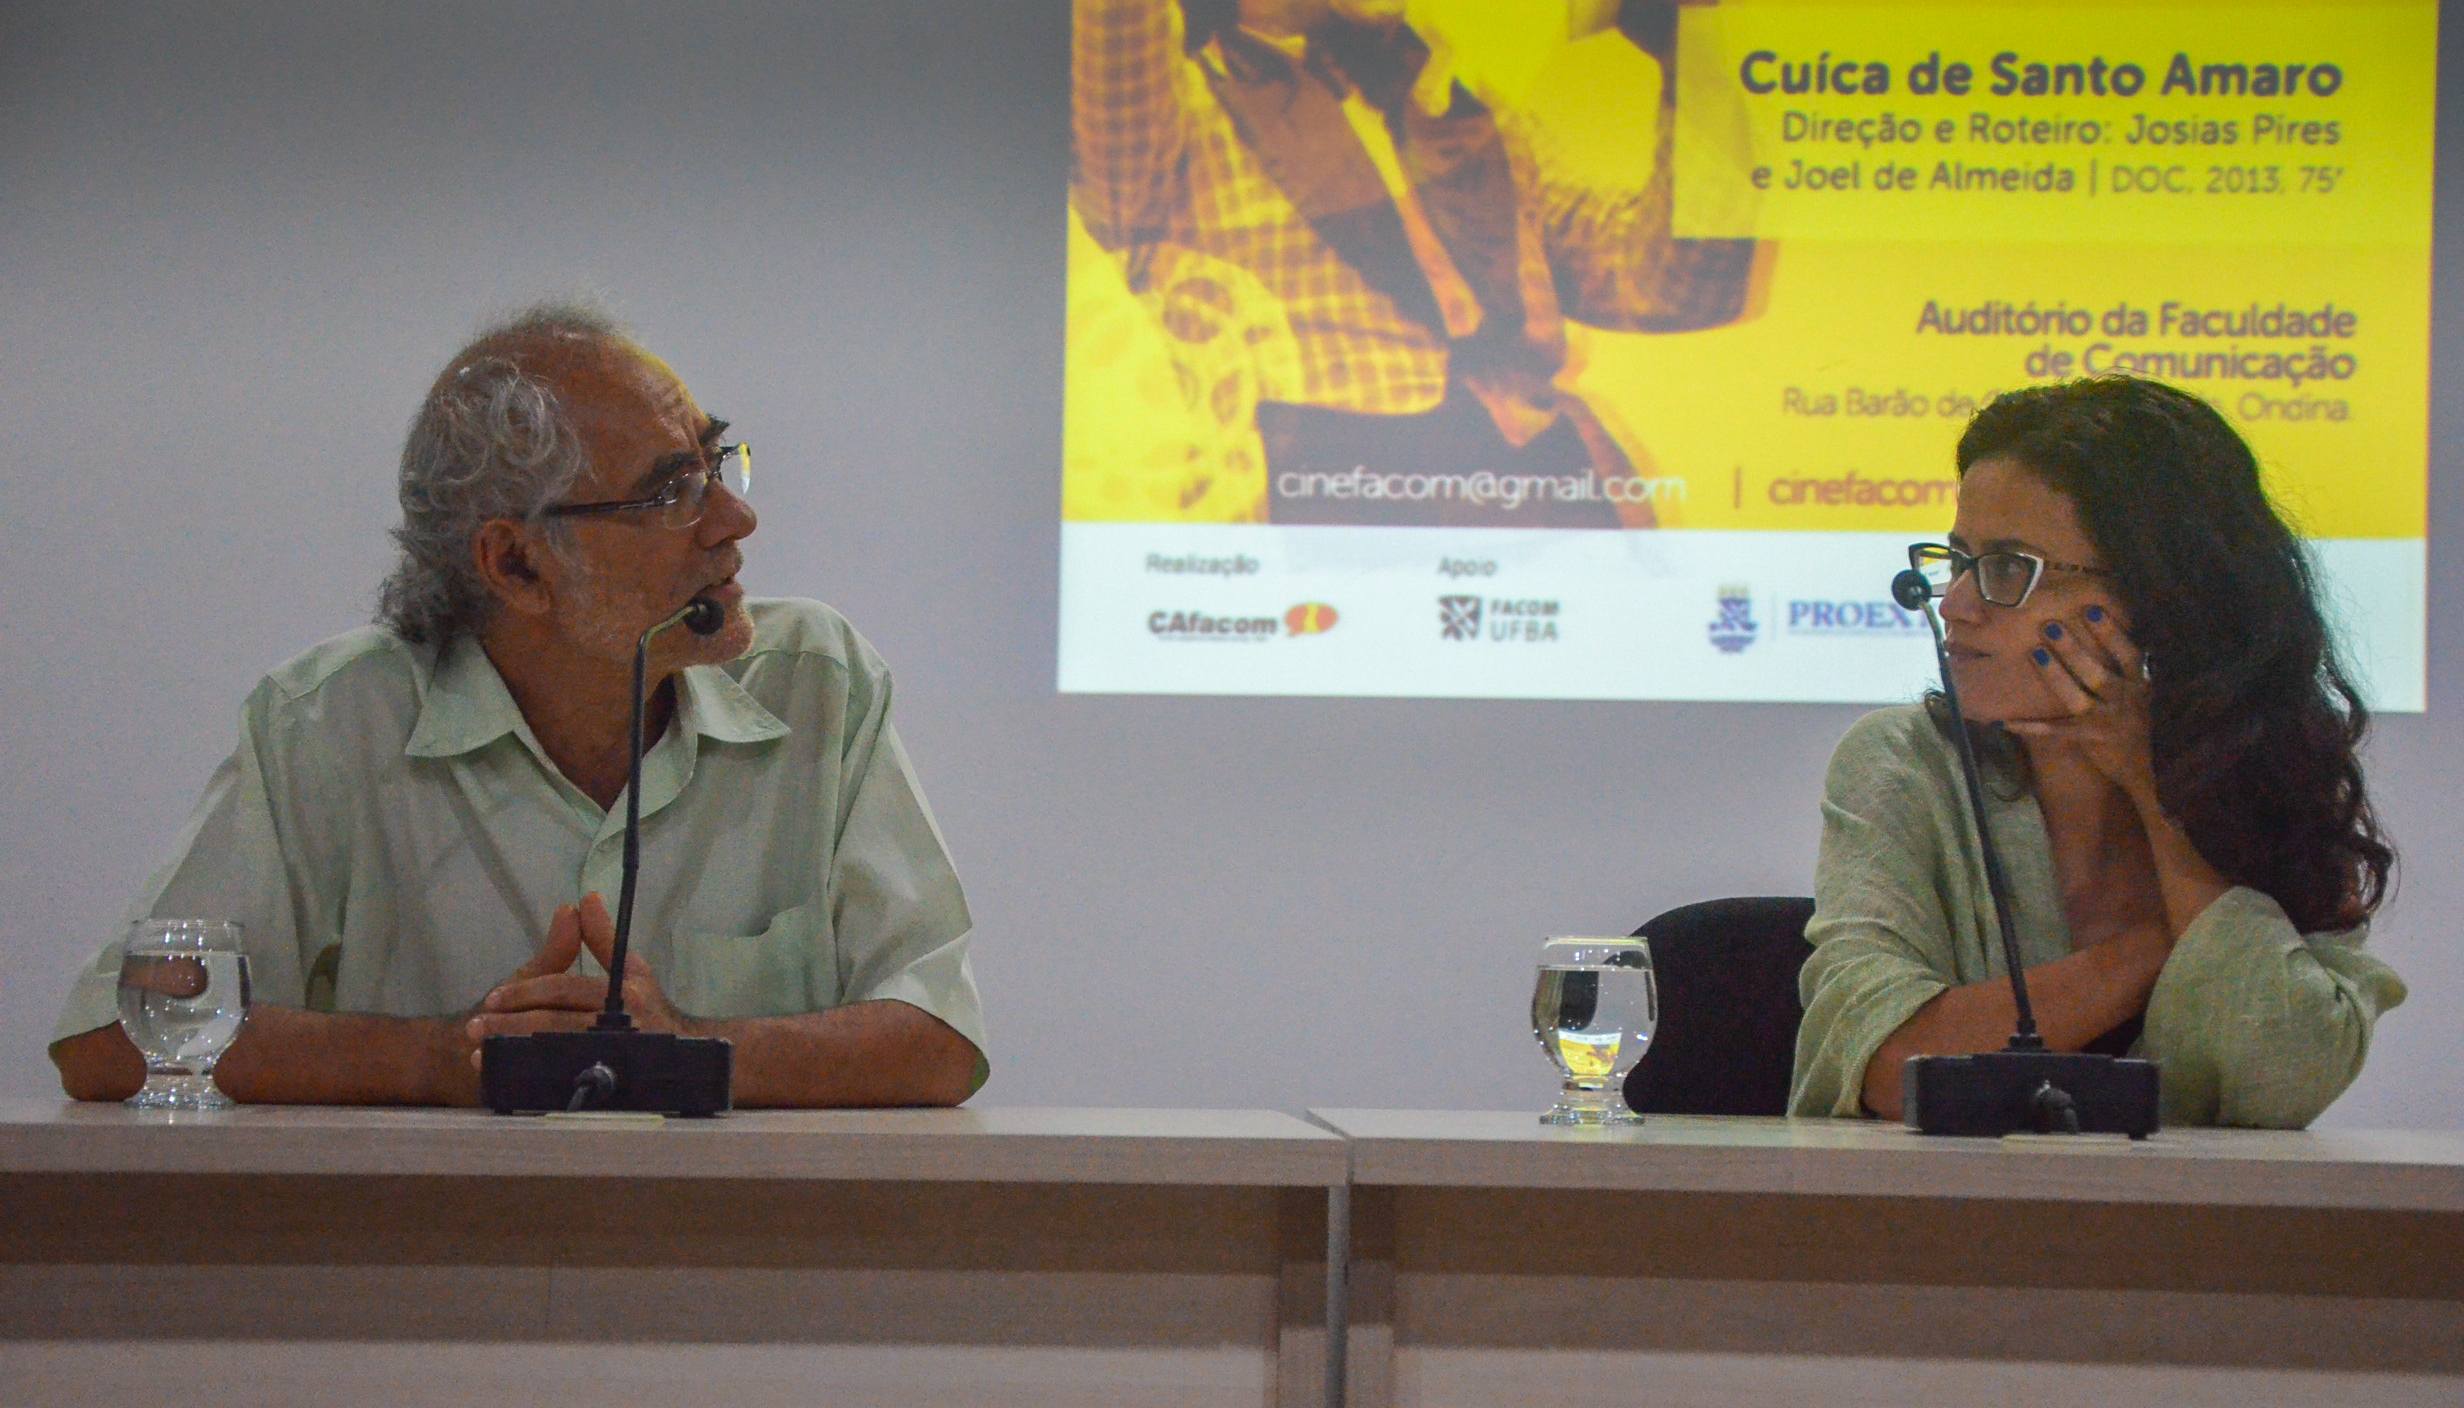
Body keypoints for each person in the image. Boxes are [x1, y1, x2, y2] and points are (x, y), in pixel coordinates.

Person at [49, 304, 987, 1107]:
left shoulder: (818, 683)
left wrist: (690, 1050)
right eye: (672, 490)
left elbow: (937, 1037)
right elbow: (117, 1039)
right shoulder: (330, 722)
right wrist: (443, 1060)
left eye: (715, 461)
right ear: (516, 564)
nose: (735, 521)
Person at [1789, 375, 2405, 1129]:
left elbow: (2278, 1081)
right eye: (1958, 559)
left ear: (2158, 596)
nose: (1956, 604)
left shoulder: (2272, 780)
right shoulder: (1907, 763)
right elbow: (1888, 1072)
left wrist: (2153, 790)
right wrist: (2160, 948)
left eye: (2011, 567)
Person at [1071, 0, 1757, 528]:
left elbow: (1680, 290)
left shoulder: (1455, 108)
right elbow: (1117, 30)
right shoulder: (1170, 115)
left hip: (1546, 508)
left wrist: (1689, 50)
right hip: (1330, 532)